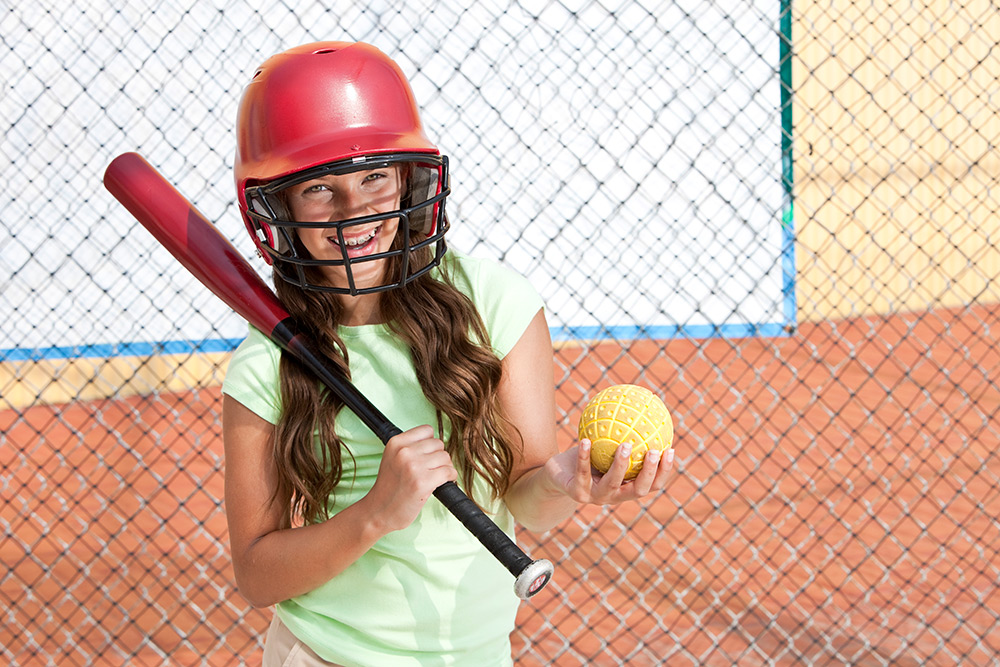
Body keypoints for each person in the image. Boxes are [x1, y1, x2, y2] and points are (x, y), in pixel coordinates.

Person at [220, 41, 675, 666]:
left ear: (410, 177)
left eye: (374, 175)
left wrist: (566, 483)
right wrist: (376, 514)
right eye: (319, 189)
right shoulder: (269, 359)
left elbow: (527, 499)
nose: (355, 211)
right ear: (277, 207)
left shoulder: (493, 302)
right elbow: (257, 574)